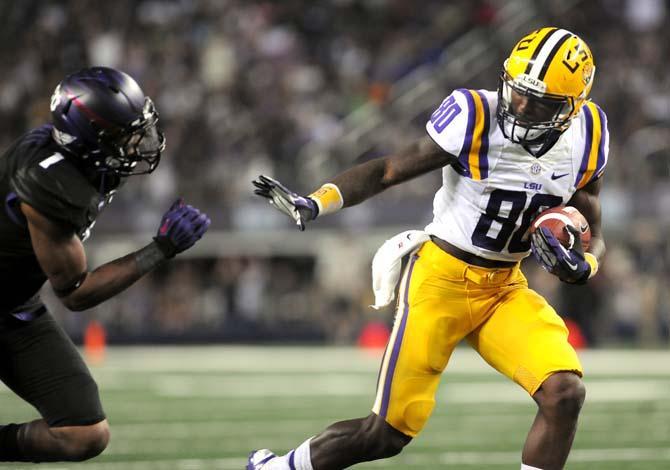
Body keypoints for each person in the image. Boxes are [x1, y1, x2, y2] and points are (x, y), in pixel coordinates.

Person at [250, 27, 607, 470]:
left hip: (504, 289)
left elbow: (592, 222)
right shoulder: (475, 114)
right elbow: (388, 171)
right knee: (385, 434)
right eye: (517, 93)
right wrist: (317, 201)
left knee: (564, 392)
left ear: (573, 108)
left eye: (541, 103)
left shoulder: (589, 133)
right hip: (440, 278)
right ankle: (278, 467)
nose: (521, 107)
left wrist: (583, 266)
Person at [0, 66, 210, 462]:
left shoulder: (77, 161)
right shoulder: (47, 186)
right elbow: (76, 294)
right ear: (90, 140)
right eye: (125, 136)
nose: (139, 144)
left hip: (14, 306)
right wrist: (159, 249)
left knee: (84, 434)